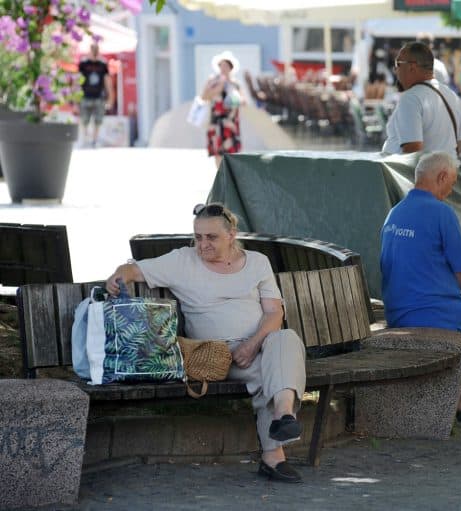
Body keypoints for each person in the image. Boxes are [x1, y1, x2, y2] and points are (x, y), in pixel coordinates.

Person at [105, 203, 307, 482]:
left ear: (231, 235)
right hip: (216, 355)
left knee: (286, 337)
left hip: (260, 344)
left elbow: (275, 313)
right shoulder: (182, 261)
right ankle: (275, 453)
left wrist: (252, 343)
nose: (203, 244)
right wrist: (118, 277)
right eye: (198, 237)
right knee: (271, 373)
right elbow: (133, 270)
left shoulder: (258, 262)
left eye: (211, 237)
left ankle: (283, 416)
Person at [380, 151, 461, 422]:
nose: (452, 189)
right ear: (442, 176)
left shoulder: (395, 213)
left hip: (396, 312)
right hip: (432, 312)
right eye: (453, 181)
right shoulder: (441, 213)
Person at [381, 42, 461, 156]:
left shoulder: (411, 98)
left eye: (398, 64)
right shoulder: (454, 98)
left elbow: (412, 154)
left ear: (412, 67)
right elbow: (458, 147)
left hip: (411, 173)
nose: (395, 70)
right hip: (445, 171)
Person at [201, 51, 244, 170]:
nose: (223, 68)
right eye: (221, 65)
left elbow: (243, 100)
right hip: (216, 121)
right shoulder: (213, 81)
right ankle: (220, 176)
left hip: (230, 123)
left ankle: (228, 179)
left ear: (231, 68)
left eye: (226, 66)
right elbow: (204, 97)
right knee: (218, 151)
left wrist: (237, 99)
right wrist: (219, 86)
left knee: (231, 152)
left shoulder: (235, 84)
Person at [78, 43, 114, 147]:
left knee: (98, 120)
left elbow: (107, 81)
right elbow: (78, 79)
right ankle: (85, 139)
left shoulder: (102, 65)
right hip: (85, 96)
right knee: (84, 119)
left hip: (99, 96)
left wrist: (110, 97)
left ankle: (94, 140)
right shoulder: (83, 64)